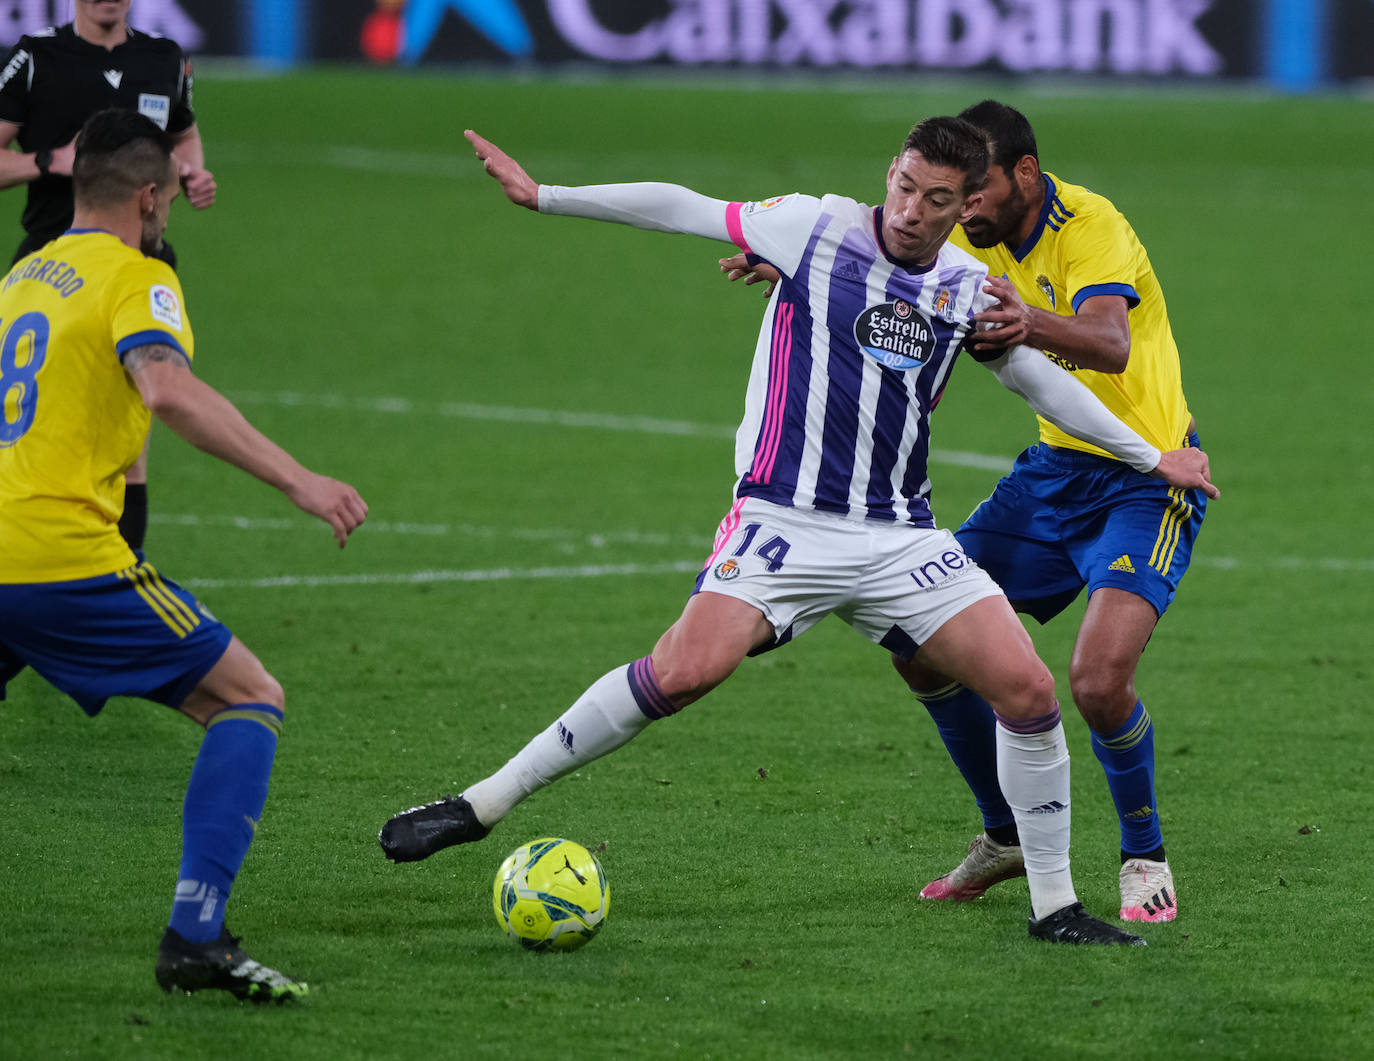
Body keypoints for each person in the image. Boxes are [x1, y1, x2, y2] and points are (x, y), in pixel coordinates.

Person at [379, 119, 1218, 946]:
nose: (910, 210)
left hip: (899, 536)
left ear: (962, 207)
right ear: (889, 171)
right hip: (784, 519)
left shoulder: (966, 286)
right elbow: (683, 206)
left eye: (934, 200)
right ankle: (481, 803)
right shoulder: (814, 227)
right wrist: (547, 196)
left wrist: (1152, 458)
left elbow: (1038, 381)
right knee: (683, 669)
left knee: (1030, 694)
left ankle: (1055, 907)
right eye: (903, 186)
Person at [725, 99, 1211, 925]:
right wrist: (796, 271)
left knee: (1096, 681)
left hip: (1148, 480)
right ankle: (1005, 833)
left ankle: (1143, 852)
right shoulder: (961, 236)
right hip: (1050, 476)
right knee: (917, 646)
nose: (962, 211)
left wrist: (1028, 321)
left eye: (975, 192)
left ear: (1023, 175)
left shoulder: (1090, 222)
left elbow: (1109, 342)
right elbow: (892, 270)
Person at [0, 108, 367, 1001]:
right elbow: (166, 389)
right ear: (152, 194)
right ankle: (195, 937)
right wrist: (298, 480)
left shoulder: (22, 276)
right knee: (250, 697)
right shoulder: (138, 277)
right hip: (58, 559)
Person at [0, 0, 218, 554]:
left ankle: (118, 573)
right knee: (39, 428)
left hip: (135, 265)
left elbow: (183, 136)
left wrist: (190, 174)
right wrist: (51, 161)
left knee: (129, 440)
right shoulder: (37, 57)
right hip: (52, 265)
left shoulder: (163, 58)